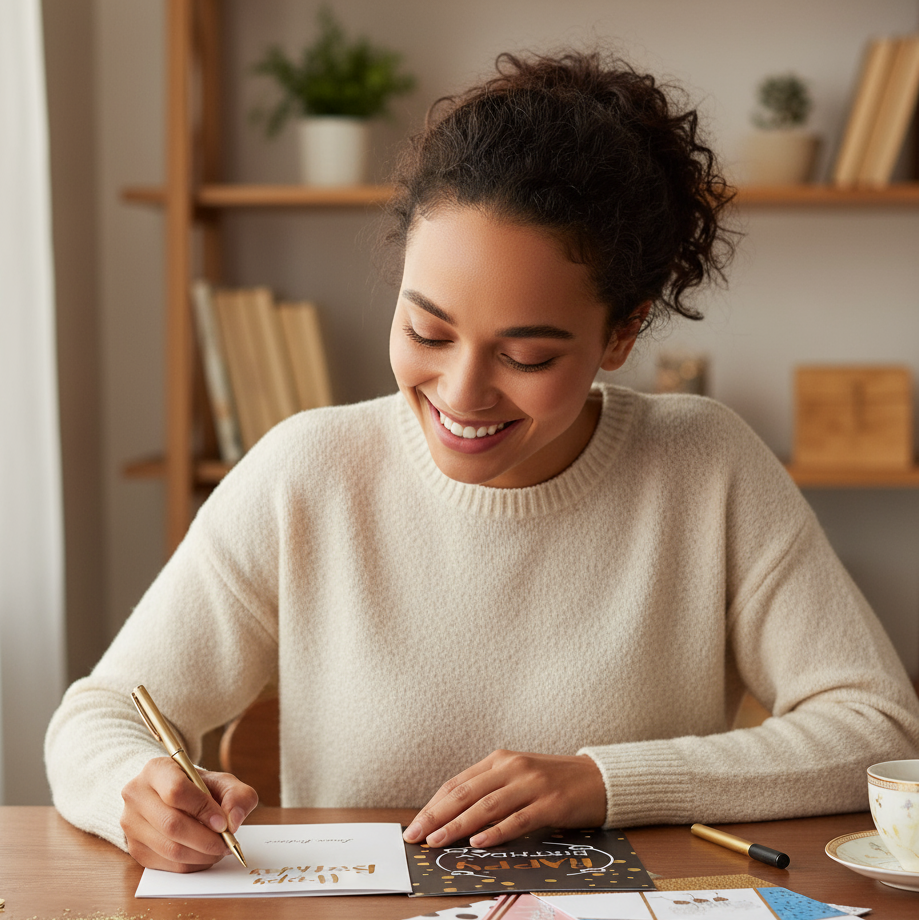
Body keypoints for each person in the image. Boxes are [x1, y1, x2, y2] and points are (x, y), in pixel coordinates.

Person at [46, 51, 919, 873]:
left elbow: (878, 731)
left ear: (621, 332)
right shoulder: (308, 474)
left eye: (528, 357)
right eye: (427, 330)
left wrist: (602, 781)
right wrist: (135, 788)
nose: (462, 392)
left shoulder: (705, 466)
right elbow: (100, 714)